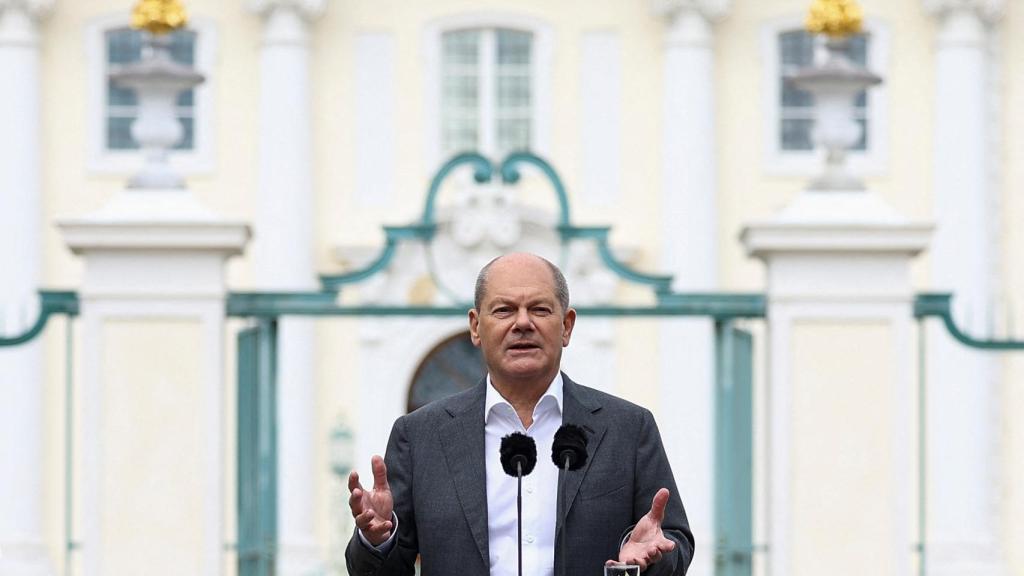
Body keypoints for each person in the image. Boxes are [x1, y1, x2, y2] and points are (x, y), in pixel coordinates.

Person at [346, 253, 694, 576]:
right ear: (476, 326)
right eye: (504, 310)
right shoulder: (420, 435)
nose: (523, 323)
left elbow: (674, 541)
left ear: (567, 326)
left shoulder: (627, 429)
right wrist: (377, 540)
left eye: (540, 309)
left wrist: (652, 557)